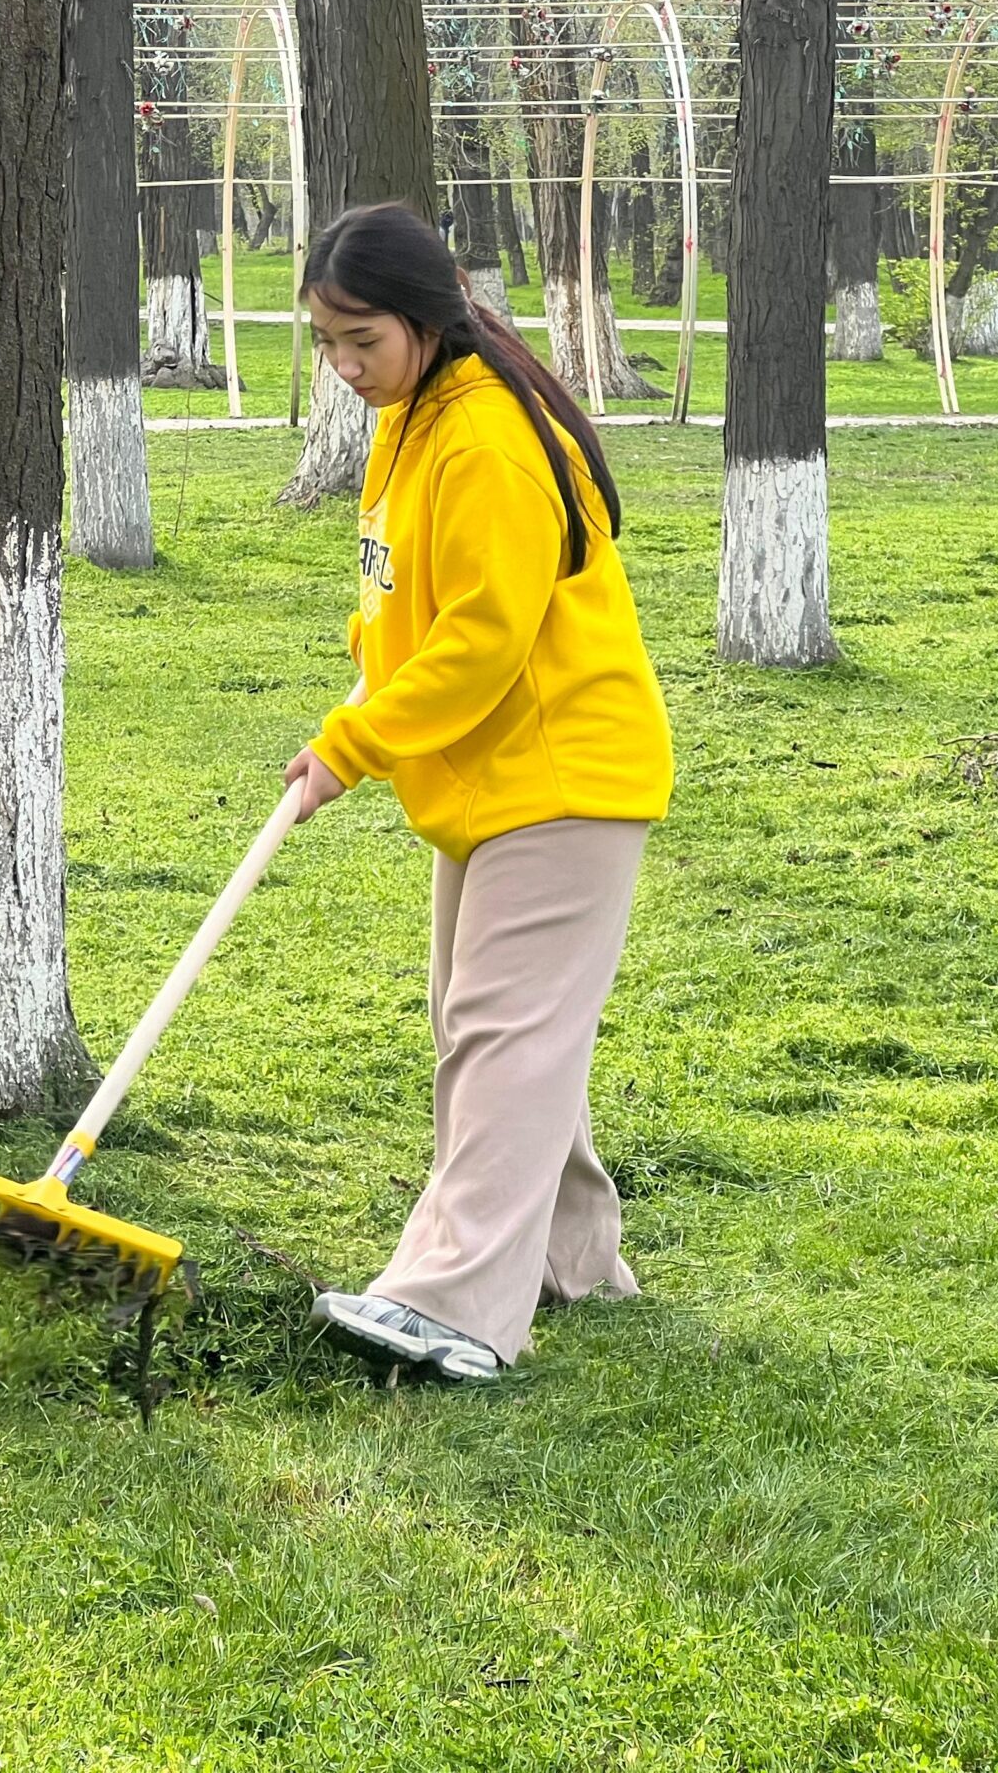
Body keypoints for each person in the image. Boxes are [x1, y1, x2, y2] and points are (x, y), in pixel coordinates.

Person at [285, 201, 674, 1384]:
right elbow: (403, 596)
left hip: (563, 775)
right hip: (487, 774)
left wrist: (355, 744)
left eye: (363, 341)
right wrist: (364, 686)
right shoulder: (415, 417)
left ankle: (454, 1302)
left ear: (422, 317)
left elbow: (483, 640)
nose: (346, 368)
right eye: (327, 343)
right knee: (492, 1024)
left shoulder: (484, 438)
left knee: (502, 1034)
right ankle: (570, 1255)